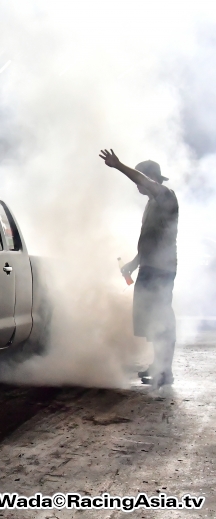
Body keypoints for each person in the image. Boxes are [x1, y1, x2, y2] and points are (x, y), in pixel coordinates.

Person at [99, 149, 178, 388]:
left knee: (161, 318)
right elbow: (149, 241)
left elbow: (143, 181)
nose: (137, 185)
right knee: (153, 320)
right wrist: (133, 264)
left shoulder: (165, 195)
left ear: (151, 179)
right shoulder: (151, 205)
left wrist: (119, 165)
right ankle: (160, 366)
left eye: (140, 179)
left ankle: (165, 370)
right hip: (151, 266)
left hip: (160, 269)